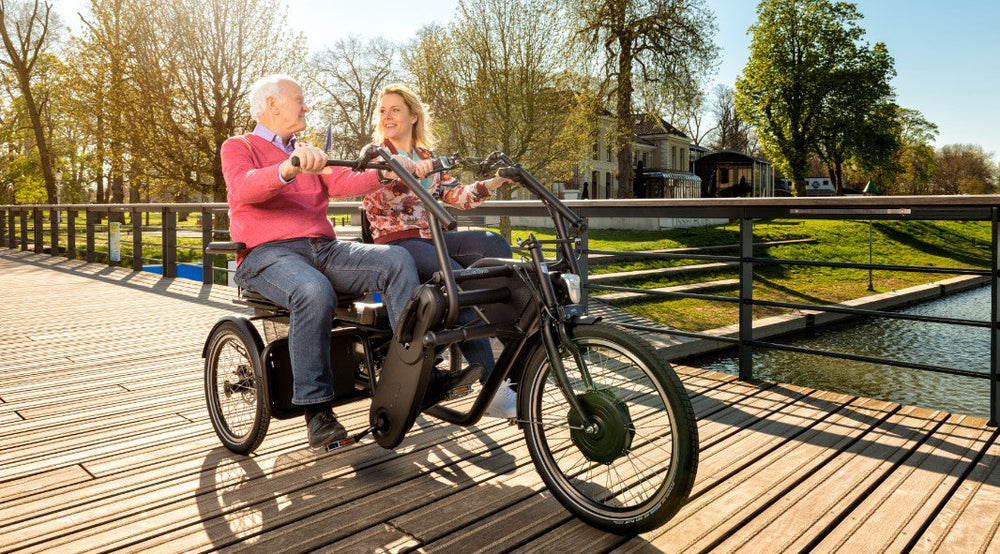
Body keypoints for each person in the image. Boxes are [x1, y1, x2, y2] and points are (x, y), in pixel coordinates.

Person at [220, 74, 476, 449]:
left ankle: (412, 373)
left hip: (323, 248)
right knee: (312, 290)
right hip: (267, 254)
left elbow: (343, 182)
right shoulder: (240, 146)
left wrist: (386, 172)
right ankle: (317, 411)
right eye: (299, 99)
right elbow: (246, 187)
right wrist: (288, 168)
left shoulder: (310, 151)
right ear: (272, 104)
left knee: (395, 259)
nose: (306, 106)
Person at [363, 83, 517, 419]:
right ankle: (492, 387)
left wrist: (491, 184)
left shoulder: (427, 157)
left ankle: (519, 360)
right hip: (399, 242)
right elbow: (375, 194)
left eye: (395, 110)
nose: (387, 116)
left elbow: (456, 196)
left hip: (433, 236)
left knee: (494, 247)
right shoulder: (377, 155)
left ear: (413, 116)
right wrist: (401, 173)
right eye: (383, 111)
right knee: (455, 278)